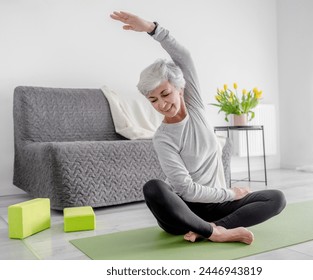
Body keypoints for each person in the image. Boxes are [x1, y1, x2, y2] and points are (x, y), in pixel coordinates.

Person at [110, 10, 286, 244]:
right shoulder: (163, 138)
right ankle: (213, 232)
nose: (161, 104)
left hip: (220, 207)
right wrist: (232, 193)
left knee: (276, 198)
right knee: (153, 188)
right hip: (185, 212)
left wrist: (152, 28)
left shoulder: (195, 107)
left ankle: (215, 229)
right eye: (153, 100)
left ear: (180, 89)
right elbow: (187, 190)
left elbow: (184, 57)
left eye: (165, 93)